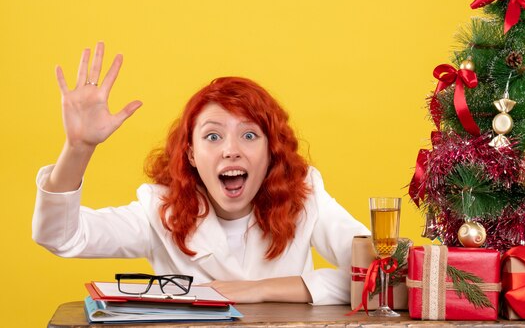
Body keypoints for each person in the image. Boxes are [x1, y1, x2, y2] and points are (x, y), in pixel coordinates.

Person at [32, 42, 369, 305]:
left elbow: (376, 271)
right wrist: (79, 148)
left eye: (249, 135)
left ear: (271, 151)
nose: (230, 150)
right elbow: (60, 236)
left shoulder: (304, 195)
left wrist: (259, 290)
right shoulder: (160, 210)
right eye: (212, 136)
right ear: (191, 154)